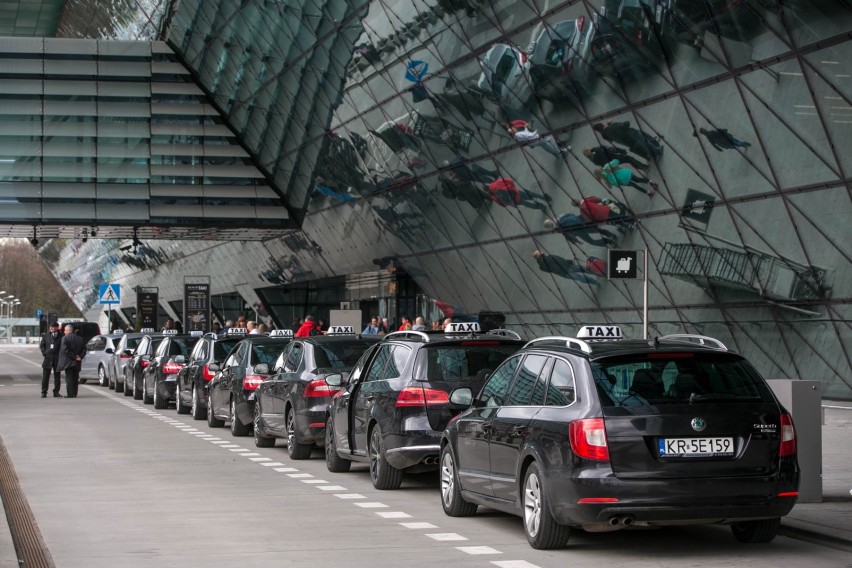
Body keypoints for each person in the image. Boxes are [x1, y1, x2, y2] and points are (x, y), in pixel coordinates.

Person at [593, 121, 661, 161]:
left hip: (626, 142)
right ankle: (657, 149)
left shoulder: (604, 135)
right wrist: (611, 124)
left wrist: (608, 125)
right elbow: (626, 124)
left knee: (643, 145)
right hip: (632, 134)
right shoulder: (613, 126)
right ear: (603, 125)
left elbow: (611, 138)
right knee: (645, 140)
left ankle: (653, 154)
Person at [572, 195, 637, 233]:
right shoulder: (585, 201)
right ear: (578, 200)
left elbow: (589, 220)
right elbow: (596, 199)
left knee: (614, 222)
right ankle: (633, 222)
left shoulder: (581, 212)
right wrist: (600, 201)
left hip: (600, 218)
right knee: (619, 217)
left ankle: (627, 226)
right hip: (604, 210)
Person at [544, 214, 618, 247]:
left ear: (549, 227)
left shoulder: (557, 228)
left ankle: (609, 241)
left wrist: (576, 241)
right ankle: (611, 235)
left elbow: (567, 235)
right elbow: (571, 214)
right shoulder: (560, 216)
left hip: (579, 231)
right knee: (597, 230)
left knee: (592, 241)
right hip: (581, 221)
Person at [505, 119, 569, 157]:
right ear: (512, 130)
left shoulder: (516, 136)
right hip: (535, 139)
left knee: (545, 145)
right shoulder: (518, 134)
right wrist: (536, 131)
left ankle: (556, 154)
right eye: (513, 127)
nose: (515, 128)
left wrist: (525, 128)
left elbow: (525, 134)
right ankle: (559, 152)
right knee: (550, 137)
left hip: (533, 142)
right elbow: (529, 136)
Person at [532, 250, 599, 284]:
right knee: (583, 269)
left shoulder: (541, 267)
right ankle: (597, 273)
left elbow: (551, 269)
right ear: (539, 254)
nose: (541, 251)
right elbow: (560, 259)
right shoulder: (548, 257)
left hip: (564, 273)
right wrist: (569, 261)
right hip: (568, 266)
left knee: (580, 278)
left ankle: (594, 281)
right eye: (540, 251)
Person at [57, 324, 86, 398]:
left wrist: (73, 356)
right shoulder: (80, 339)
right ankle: (75, 393)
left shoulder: (65, 338)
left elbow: (65, 350)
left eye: (65, 330)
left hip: (68, 361)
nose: (64, 332)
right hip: (77, 361)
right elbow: (84, 349)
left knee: (69, 378)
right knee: (75, 378)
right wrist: (80, 357)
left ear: (69, 330)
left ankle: (70, 394)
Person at [39, 321, 63, 398]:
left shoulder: (61, 336)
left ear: (57, 327)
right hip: (48, 358)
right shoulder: (46, 335)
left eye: (52, 327)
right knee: (45, 377)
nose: (51, 328)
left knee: (57, 377)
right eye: (50, 327)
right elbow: (42, 345)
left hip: (57, 359)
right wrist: (44, 353)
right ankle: (44, 392)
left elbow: (63, 347)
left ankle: (56, 392)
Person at [583, 146, 648, 172]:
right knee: (629, 159)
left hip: (611, 164)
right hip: (613, 158)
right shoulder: (597, 152)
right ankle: (644, 167)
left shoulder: (592, 160)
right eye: (588, 149)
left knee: (628, 160)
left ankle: (642, 167)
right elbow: (603, 150)